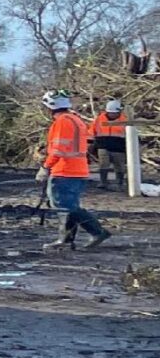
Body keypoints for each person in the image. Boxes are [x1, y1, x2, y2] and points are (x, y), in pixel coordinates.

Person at [38, 92, 112, 248]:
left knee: (65, 206)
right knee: (68, 205)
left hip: (65, 170)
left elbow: (58, 149)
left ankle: (96, 231)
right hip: (78, 169)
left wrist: (46, 167)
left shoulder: (62, 122)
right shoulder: (76, 120)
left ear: (50, 107)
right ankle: (66, 239)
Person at [92, 99, 131, 192]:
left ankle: (119, 183)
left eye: (114, 113)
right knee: (103, 165)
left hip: (118, 147)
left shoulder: (124, 120)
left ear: (119, 112)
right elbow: (92, 130)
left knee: (119, 166)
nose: (112, 114)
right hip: (103, 146)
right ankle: (103, 182)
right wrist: (91, 143)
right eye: (110, 113)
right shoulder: (99, 119)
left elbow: (129, 134)